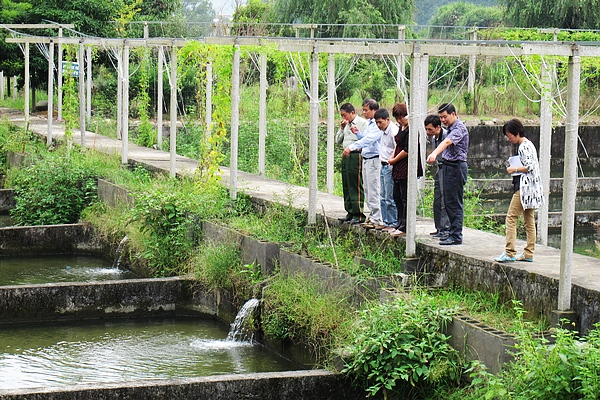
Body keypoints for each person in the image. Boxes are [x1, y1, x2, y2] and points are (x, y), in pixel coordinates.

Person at [494, 119, 544, 263]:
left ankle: (510, 252)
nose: (508, 138)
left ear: (516, 133)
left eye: (509, 134)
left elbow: (530, 166)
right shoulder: (530, 144)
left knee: (511, 218)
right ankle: (529, 253)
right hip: (532, 188)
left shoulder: (523, 146)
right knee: (529, 220)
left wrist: (514, 169)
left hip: (524, 188)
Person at [426, 103, 469, 245]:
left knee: (454, 203)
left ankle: (456, 235)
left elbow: (447, 142)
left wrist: (434, 153)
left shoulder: (459, 128)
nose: (443, 120)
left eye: (445, 117)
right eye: (441, 117)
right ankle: (451, 232)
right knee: (448, 202)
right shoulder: (450, 129)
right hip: (448, 167)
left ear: (453, 114)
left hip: (456, 167)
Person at [342, 99, 383, 228]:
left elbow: (368, 140)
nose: (364, 112)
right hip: (366, 158)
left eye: (366, 110)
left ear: (374, 110)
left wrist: (351, 147)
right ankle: (372, 216)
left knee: (373, 189)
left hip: (374, 158)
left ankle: (376, 218)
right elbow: (364, 138)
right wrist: (357, 133)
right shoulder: (371, 124)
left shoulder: (377, 125)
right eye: (363, 110)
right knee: (368, 189)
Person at [388, 103, 422, 237]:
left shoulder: (412, 130)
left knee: (405, 197)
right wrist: (392, 157)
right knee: (396, 195)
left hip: (406, 165)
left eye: (401, 117)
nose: (399, 120)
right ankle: (399, 222)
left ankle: (405, 225)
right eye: (397, 118)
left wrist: (395, 159)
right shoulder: (401, 128)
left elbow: (408, 150)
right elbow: (397, 145)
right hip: (397, 164)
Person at [335, 103, 368, 224]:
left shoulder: (363, 123)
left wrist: (356, 132)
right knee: (347, 184)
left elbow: (365, 140)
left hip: (356, 155)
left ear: (352, 113)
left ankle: (358, 213)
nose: (344, 118)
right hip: (346, 155)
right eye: (342, 116)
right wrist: (342, 128)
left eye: (345, 115)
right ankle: (349, 212)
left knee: (355, 184)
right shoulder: (345, 125)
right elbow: (337, 141)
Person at [424, 114, 451, 239]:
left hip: (446, 168)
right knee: (437, 200)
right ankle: (439, 227)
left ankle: (446, 229)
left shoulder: (446, 136)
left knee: (445, 200)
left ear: (438, 127)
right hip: (439, 168)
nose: (428, 132)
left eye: (430, 129)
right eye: (426, 129)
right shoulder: (435, 138)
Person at [374, 108, 398, 232]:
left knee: (389, 196)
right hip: (383, 164)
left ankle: (393, 222)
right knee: (382, 196)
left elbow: (398, 148)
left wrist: (391, 160)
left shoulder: (393, 131)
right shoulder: (383, 131)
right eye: (376, 123)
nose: (378, 125)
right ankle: (386, 221)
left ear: (387, 120)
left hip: (390, 166)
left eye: (380, 122)